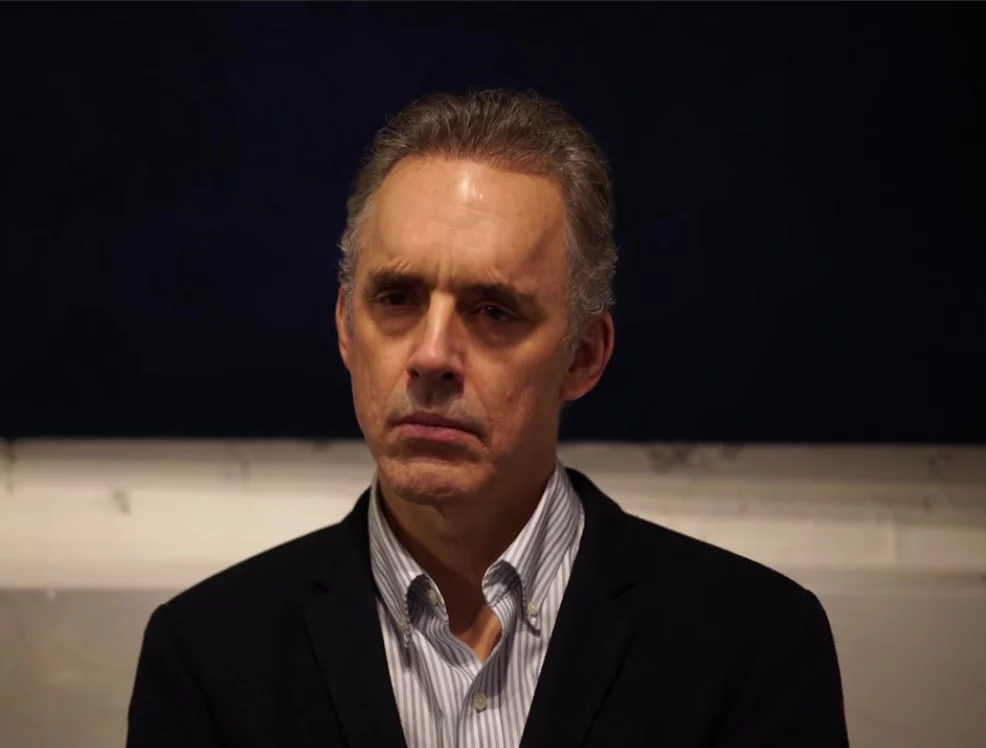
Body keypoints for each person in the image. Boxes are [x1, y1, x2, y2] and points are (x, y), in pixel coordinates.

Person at [127, 88, 849, 748]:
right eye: (397, 299)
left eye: (493, 311)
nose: (431, 356)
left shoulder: (750, 647)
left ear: (583, 356)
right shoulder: (207, 656)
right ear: (346, 328)